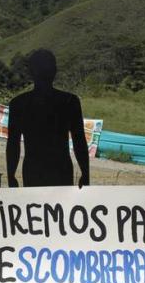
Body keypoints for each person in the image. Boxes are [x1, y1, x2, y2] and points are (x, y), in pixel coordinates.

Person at [7, 49, 89, 188]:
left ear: (31, 72)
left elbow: (13, 144)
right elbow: (79, 141)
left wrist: (11, 175)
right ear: (55, 71)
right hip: (61, 169)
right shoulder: (69, 102)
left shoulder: (19, 104)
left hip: (33, 169)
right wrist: (85, 174)